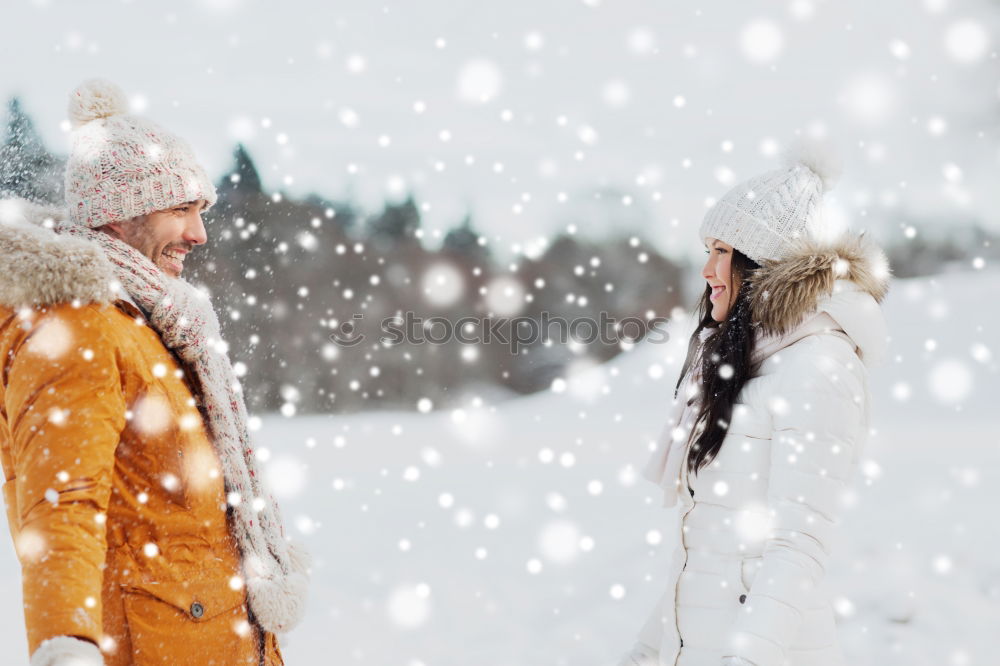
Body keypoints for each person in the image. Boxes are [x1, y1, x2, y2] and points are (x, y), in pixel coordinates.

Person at [0, 79, 308, 666]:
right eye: (180, 209)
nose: (200, 234)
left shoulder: (159, 325)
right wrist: (66, 644)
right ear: (119, 216)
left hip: (211, 641)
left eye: (201, 210)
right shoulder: (79, 329)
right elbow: (61, 503)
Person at [618, 140, 890, 666]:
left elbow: (796, 548)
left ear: (764, 264)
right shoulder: (747, 366)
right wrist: (646, 651)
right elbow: (710, 555)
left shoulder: (818, 368)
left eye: (722, 252)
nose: (707, 271)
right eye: (708, 250)